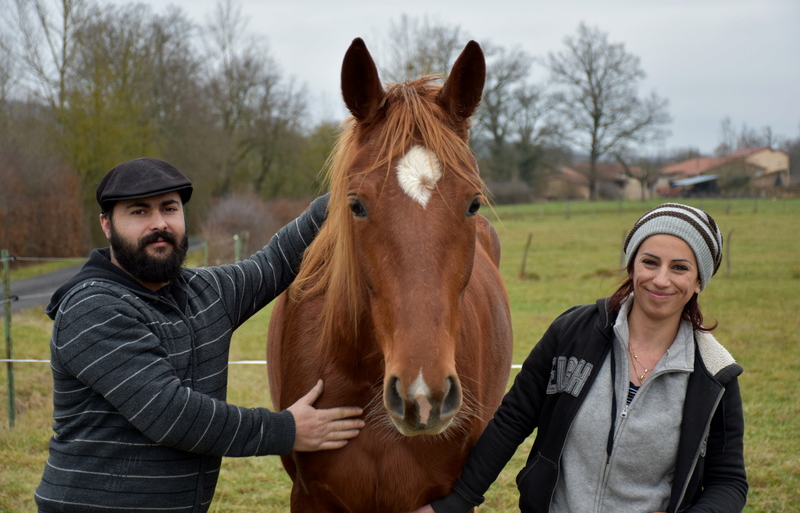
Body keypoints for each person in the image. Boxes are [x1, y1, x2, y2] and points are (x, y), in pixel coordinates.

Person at [35, 157, 365, 512]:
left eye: (169, 208)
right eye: (138, 212)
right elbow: (171, 415)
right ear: (106, 224)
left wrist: (360, 184)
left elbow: (275, 261)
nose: (159, 223)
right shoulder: (93, 308)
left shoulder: (202, 294)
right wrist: (286, 430)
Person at [415, 203, 747, 513]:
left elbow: (729, 482)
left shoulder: (714, 374)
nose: (661, 279)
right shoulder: (573, 333)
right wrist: (456, 502)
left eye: (679, 268)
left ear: (699, 281)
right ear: (632, 265)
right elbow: (511, 421)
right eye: (650, 262)